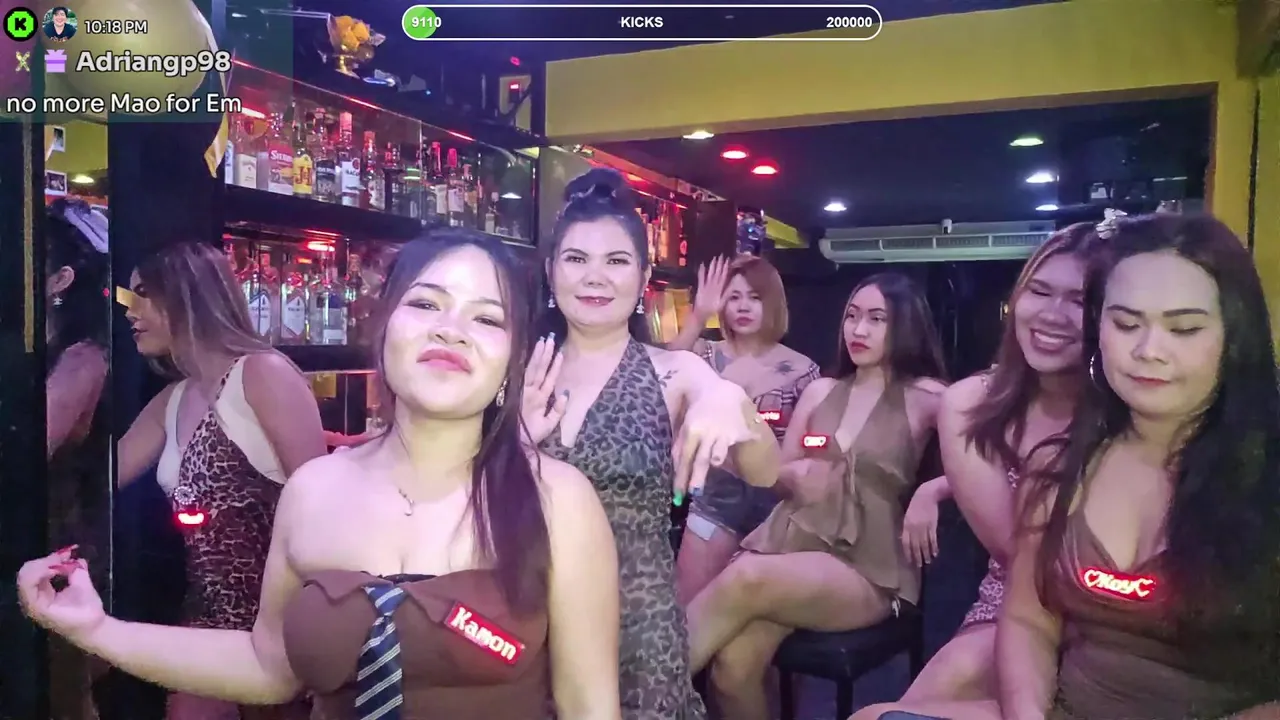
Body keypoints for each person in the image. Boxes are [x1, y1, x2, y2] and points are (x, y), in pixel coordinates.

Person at [20, 230, 624, 720]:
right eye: (425, 304)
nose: (451, 329)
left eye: (487, 319)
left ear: (513, 359)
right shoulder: (314, 490)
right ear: (382, 326)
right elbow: (269, 666)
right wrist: (97, 629)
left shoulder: (557, 501)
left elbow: (590, 709)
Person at [860, 213, 1280, 720]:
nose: (1149, 351)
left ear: (1235, 336)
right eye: (1126, 324)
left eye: (1184, 328)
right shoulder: (1056, 461)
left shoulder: (1262, 472)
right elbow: (1029, 616)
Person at [520, 168, 780, 719]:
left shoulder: (675, 372)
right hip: (527, 621)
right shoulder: (515, 369)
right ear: (550, 271)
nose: (595, 277)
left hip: (638, 629)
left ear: (643, 279)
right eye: (576, 259)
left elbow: (765, 472)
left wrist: (731, 400)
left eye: (616, 261)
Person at [855, 224, 1101, 719]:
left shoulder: (1132, 408)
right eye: (1040, 291)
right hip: (1018, 600)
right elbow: (1019, 556)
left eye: (1079, 300)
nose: (1052, 314)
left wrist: (935, 488)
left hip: (1119, 617)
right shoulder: (970, 403)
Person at [685, 273, 949, 720]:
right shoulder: (820, 390)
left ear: (905, 324)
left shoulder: (929, 397)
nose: (858, 329)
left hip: (869, 567)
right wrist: (794, 475)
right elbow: (777, 474)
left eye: (876, 319)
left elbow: (995, 451)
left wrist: (933, 490)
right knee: (732, 670)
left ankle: (633, 701)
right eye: (852, 316)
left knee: (747, 576)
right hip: (796, 543)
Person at [115, 241, 327, 719]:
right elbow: (103, 478)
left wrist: (327, 632)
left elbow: (323, 508)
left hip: (280, 622)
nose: (129, 311)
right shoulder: (173, 399)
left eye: (142, 294)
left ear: (188, 294)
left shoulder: (262, 374)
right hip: (207, 618)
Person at [669, 255, 821, 605]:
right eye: (734, 297)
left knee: (750, 615)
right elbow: (660, 375)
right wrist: (699, 315)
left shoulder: (803, 370)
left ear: (773, 303)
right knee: (687, 609)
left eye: (754, 297)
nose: (743, 306)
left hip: (776, 508)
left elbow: (810, 445)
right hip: (713, 500)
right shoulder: (703, 355)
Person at [44, 198, 110, 720]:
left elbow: (33, 443)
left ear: (61, 280)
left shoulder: (82, 358)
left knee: (62, 685)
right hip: (36, 527)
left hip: (58, 536)